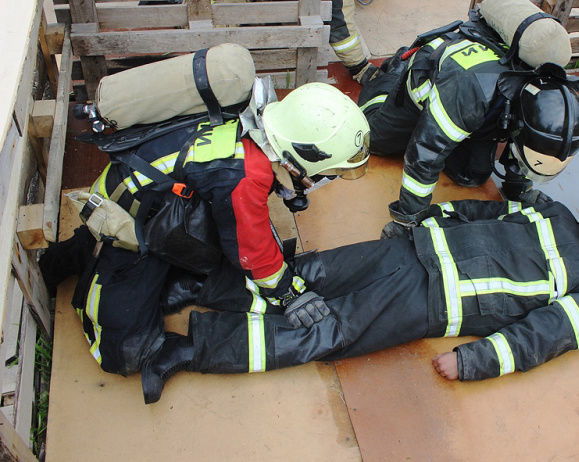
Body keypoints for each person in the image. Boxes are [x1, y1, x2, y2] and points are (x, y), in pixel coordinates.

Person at [139, 187, 579, 404]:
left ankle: (188, 350)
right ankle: (198, 287)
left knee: (327, 331)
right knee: (310, 274)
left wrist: (475, 361)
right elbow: (482, 213)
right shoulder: (556, 212)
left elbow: (541, 337)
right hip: (414, 249)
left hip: (432, 301)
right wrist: (425, 219)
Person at [39, 80, 371, 379]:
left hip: (158, 197)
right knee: (126, 353)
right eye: (328, 170)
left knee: (215, 249)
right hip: (127, 223)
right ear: (301, 154)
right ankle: (78, 261)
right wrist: (289, 292)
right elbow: (253, 250)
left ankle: (64, 260)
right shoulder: (246, 174)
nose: (325, 178)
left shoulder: (254, 117)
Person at [357, 1, 579, 239]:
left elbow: (523, 139)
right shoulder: (469, 92)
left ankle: (456, 127)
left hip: (474, 100)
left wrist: (518, 185)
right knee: (372, 141)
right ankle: (393, 72)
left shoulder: (551, 96)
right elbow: (424, 153)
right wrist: (408, 218)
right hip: (426, 80)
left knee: (472, 176)